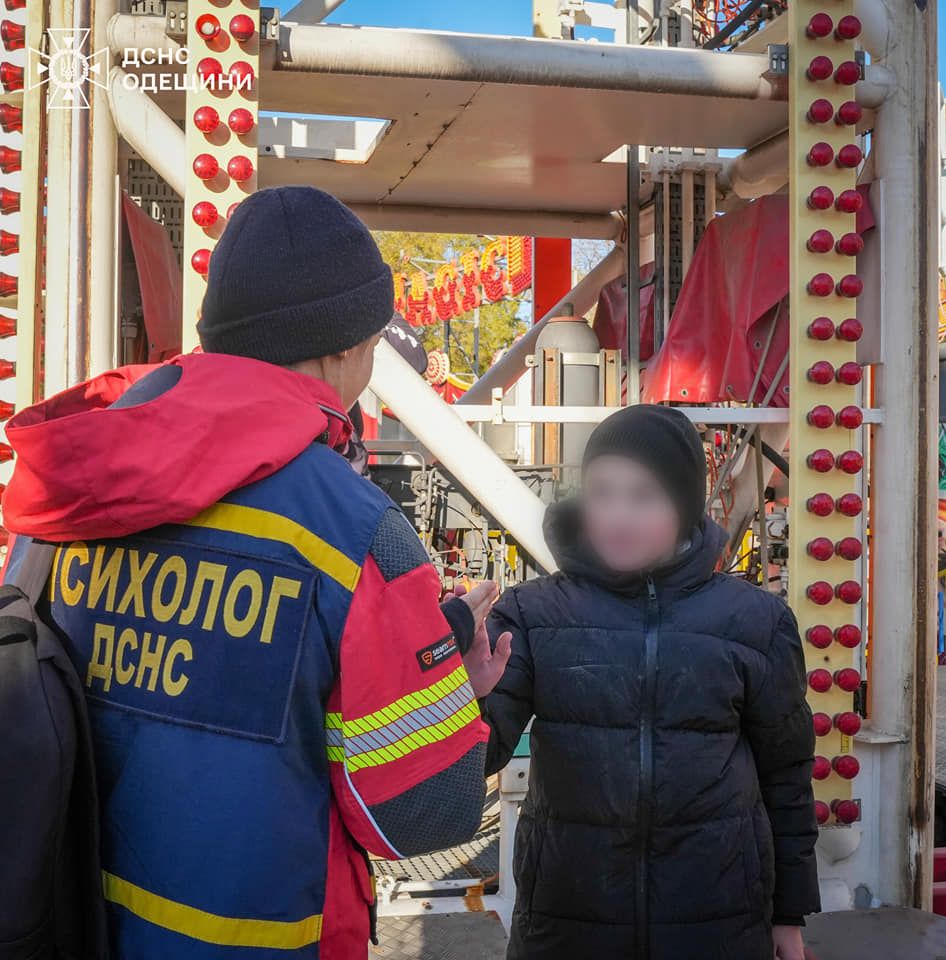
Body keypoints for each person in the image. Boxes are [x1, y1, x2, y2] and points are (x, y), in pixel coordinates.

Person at [1, 186, 511, 959]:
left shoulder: (70, 482)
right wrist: (446, 692)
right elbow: (419, 817)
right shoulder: (357, 532)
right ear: (342, 346)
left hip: (66, 924)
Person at [483, 404, 819, 960]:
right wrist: (455, 688)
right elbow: (477, 753)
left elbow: (786, 775)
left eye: (643, 496)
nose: (618, 516)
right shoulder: (532, 615)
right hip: (568, 926)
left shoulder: (755, 623)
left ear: (684, 506)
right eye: (602, 492)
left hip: (719, 924)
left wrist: (789, 913)